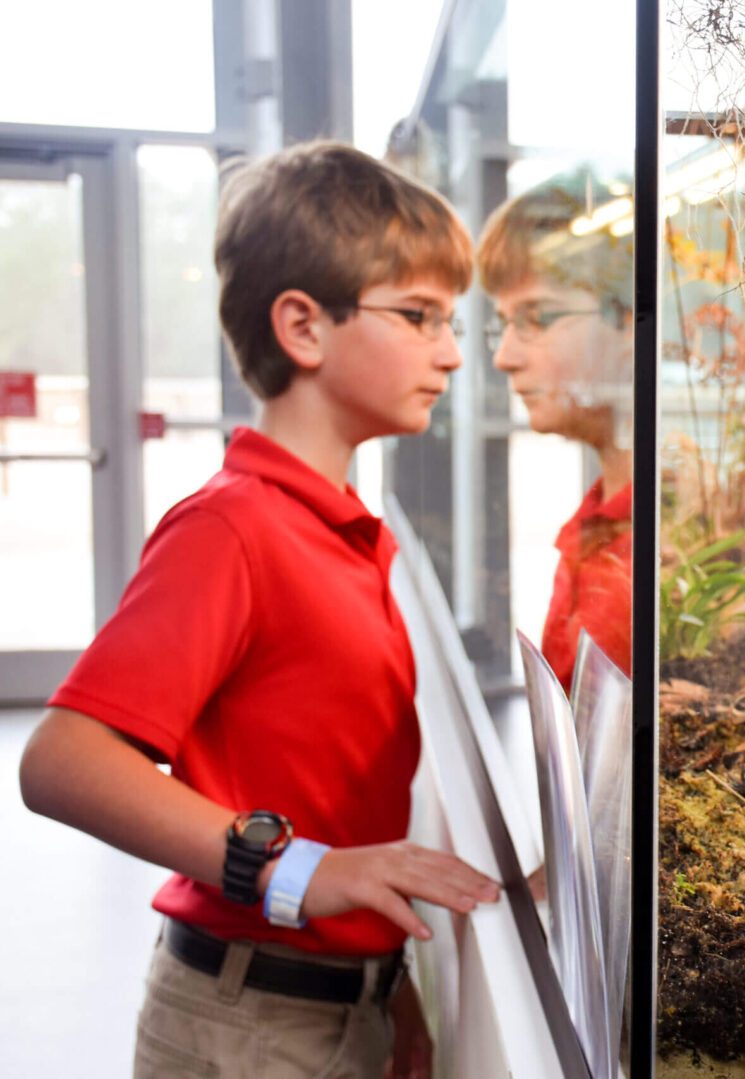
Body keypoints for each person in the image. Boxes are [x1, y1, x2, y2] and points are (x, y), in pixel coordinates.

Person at [17, 141, 501, 1079]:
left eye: (451, 323)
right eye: (418, 316)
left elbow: (336, 802)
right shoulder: (234, 528)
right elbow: (61, 760)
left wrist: (386, 980)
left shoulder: (347, 529)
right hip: (248, 1028)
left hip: (334, 1004)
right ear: (303, 327)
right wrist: (298, 869)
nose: (448, 352)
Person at [475, 186, 634, 691]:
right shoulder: (601, 520)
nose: (504, 357)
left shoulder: (661, 546)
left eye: (537, 318)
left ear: (629, 323)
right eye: (503, 324)